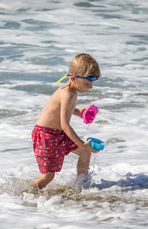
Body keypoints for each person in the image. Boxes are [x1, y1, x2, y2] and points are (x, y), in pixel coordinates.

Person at [31, 53, 101, 189]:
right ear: (73, 78)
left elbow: (65, 109)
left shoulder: (73, 91)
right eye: (87, 83)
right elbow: (64, 124)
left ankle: (81, 187)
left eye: (92, 83)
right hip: (46, 135)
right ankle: (25, 193)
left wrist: (79, 112)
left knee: (85, 153)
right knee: (48, 176)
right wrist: (82, 143)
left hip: (58, 134)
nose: (90, 87)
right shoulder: (67, 93)